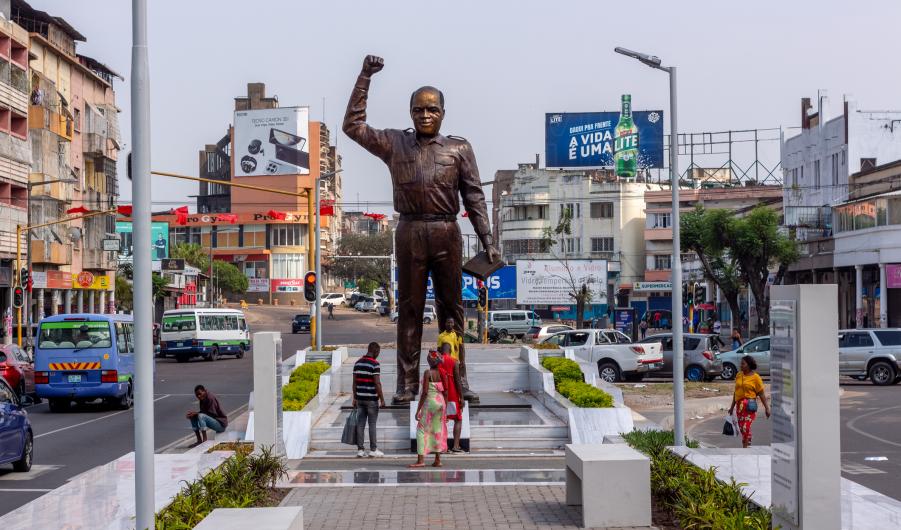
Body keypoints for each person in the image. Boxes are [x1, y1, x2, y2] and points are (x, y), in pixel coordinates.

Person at [344, 55, 499, 405]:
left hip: (447, 232)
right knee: (410, 311)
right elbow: (353, 126)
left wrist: (487, 240)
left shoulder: (459, 149)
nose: (425, 115)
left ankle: (457, 379)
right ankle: (407, 383)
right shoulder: (394, 143)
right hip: (410, 231)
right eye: (418, 110)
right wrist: (365, 76)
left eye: (432, 110)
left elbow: (474, 196)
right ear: (410, 113)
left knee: (452, 311)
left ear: (443, 113)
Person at [411, 351, 448, 467]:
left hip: (430, 402)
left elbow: (425, 392)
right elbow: (446, 392)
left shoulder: (428, 373)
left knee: (421, 429)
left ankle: (420, 460)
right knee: (437, 430)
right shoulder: (442, 373)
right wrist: (445, 410)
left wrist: (418, 409)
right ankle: (437, 460)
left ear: (430, 361)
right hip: (441, 402)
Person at [728, 356, 770, 448]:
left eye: (743, 363)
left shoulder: (756, 377)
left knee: (745, 427)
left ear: (749, 365)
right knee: (741, 428)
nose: (741, 365)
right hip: (739, 407)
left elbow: (761, 393)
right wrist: (732, 407)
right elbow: (736, 392)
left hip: (749, 406)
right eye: (741, 363)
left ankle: (745, 447)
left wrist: (767, 408)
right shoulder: (739, 375)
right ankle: (747, 441)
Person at [353, 342, 386, 458]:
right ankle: (373, 449)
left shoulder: (357, 363)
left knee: (360, 424)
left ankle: (360, 450)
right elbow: (377, 383)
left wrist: (354, 398)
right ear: (376, 351)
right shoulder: (375, 364)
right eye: (378, 352)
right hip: (371, 399)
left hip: (360, 398)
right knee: (372, 424)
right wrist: (382, 399)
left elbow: (354, 383)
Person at [438, 343, 465, 453]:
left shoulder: (437, 361)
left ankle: (442, 446)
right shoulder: (454, 361)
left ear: (441, 350)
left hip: (440, 392)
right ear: (451, 350)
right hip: (452, 393)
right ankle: (455, 446)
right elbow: (458, 381)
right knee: (458, 419)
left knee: (440, 420)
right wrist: (461, 397)